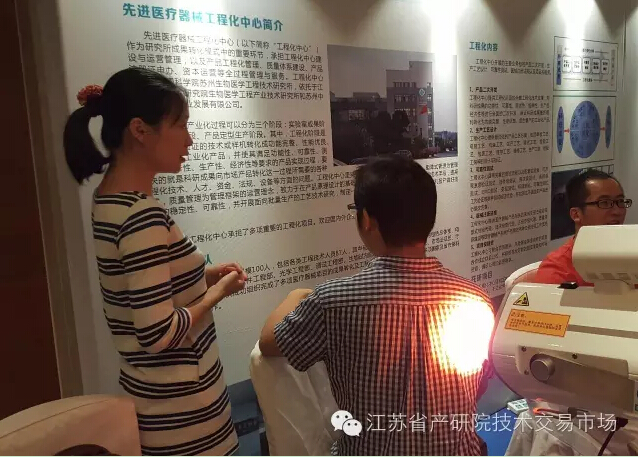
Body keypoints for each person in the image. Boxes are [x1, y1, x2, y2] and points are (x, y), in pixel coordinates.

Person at [63, 67, 247, 456]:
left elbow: (144, 287)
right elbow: (157, 334)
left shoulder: (107, 199)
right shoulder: (142, 213)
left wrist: (204, 276)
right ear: (140, 130)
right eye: (180, 125)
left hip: (157, 403)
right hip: (186, 415)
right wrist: (217, 293)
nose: (189, 139)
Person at [258, 155, 494, 455]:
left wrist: (295, 295)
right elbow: (479, 385)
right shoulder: (476, 299)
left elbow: (269, 342)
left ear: (367, 220)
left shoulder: (333, 301)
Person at [536, 169, 631, 286]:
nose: (617, 211)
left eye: (620, 201)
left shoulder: (631, 252)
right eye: (604, 203)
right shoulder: (558, 270)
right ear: (576, 214)